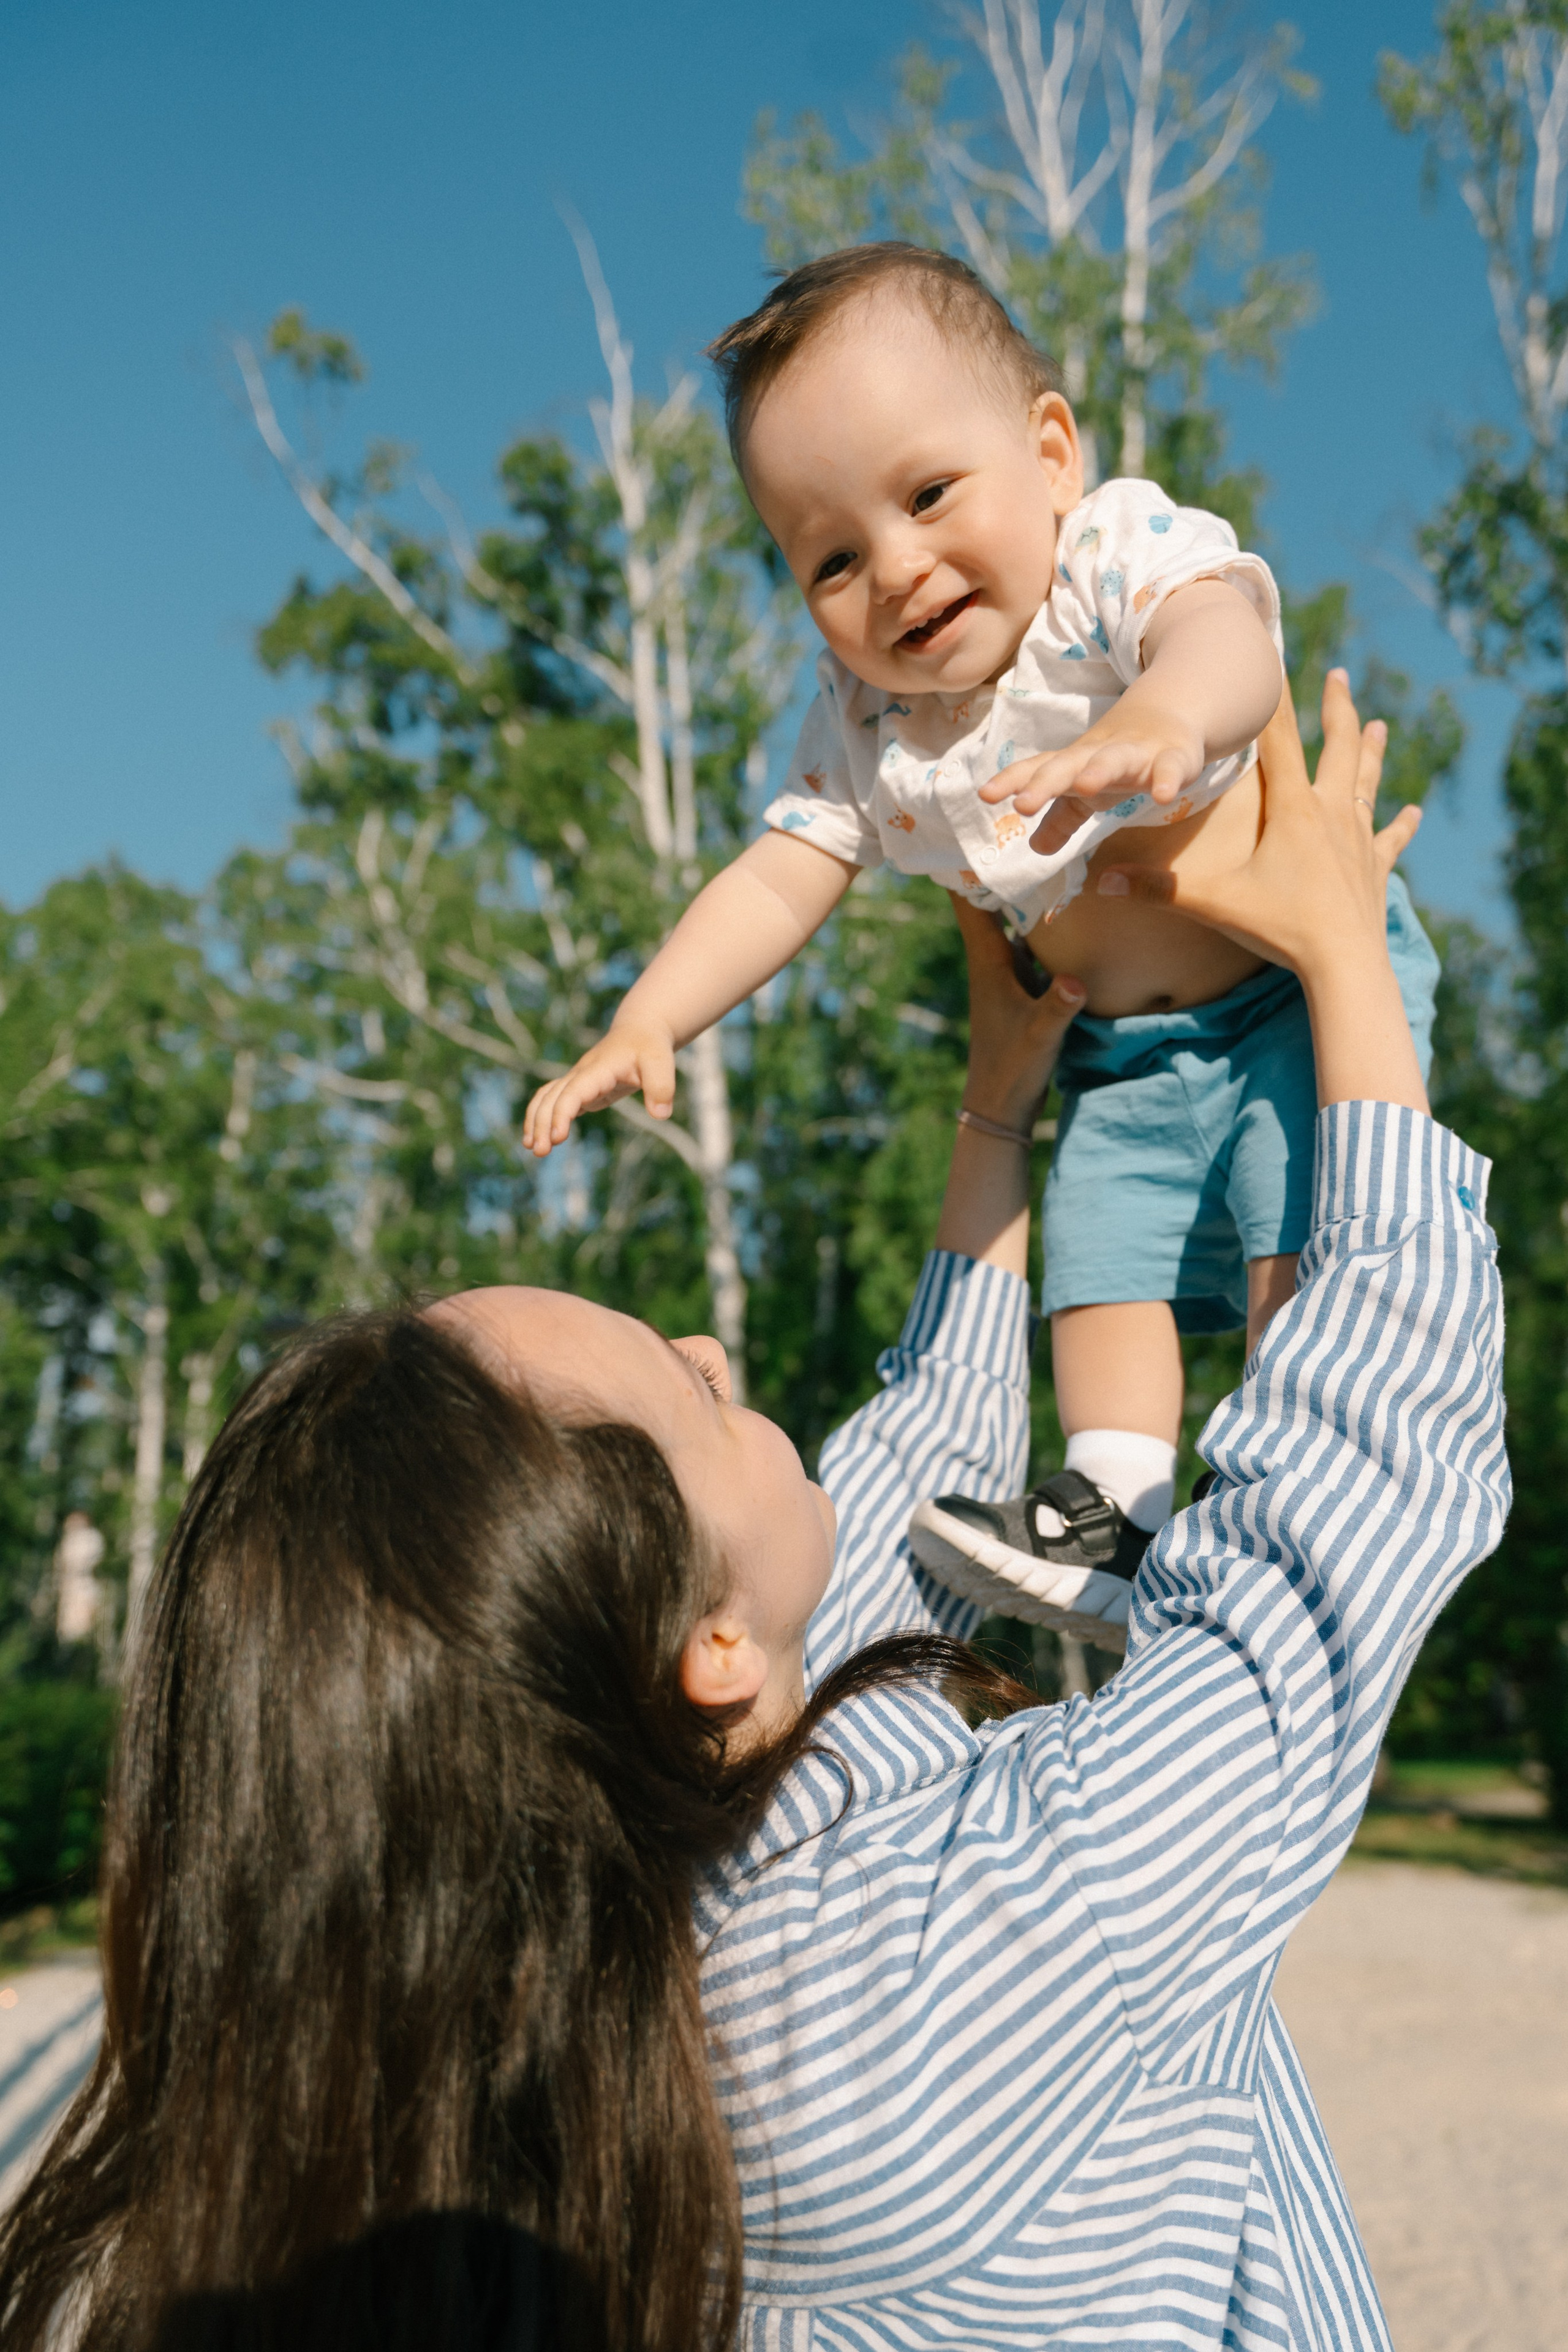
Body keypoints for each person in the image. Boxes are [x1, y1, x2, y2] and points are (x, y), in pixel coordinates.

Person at [0, 681, 1506, 2352]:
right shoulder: (968, 1972)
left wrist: (998, 1102)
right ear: (706, 1643)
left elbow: (919, 1458)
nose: (717, 1354)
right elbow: (1338, 1525)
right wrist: (1346, 962)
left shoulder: (619, 1925)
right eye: (686, 1387)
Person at [522, 243, 1441, 1644]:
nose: (894, 569)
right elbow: (781, 873)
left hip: (1288, 999)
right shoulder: (866, 720)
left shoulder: (1105, 563)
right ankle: (1113, 1504)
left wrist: (1164, 714)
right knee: (1095, 1256)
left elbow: (1230, 641)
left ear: (1050, 453)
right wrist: (651, 1015)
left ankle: (1296, 1482)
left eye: (927, 495)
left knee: (1293, 1242)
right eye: (832, 558)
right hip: (1120, 1056)